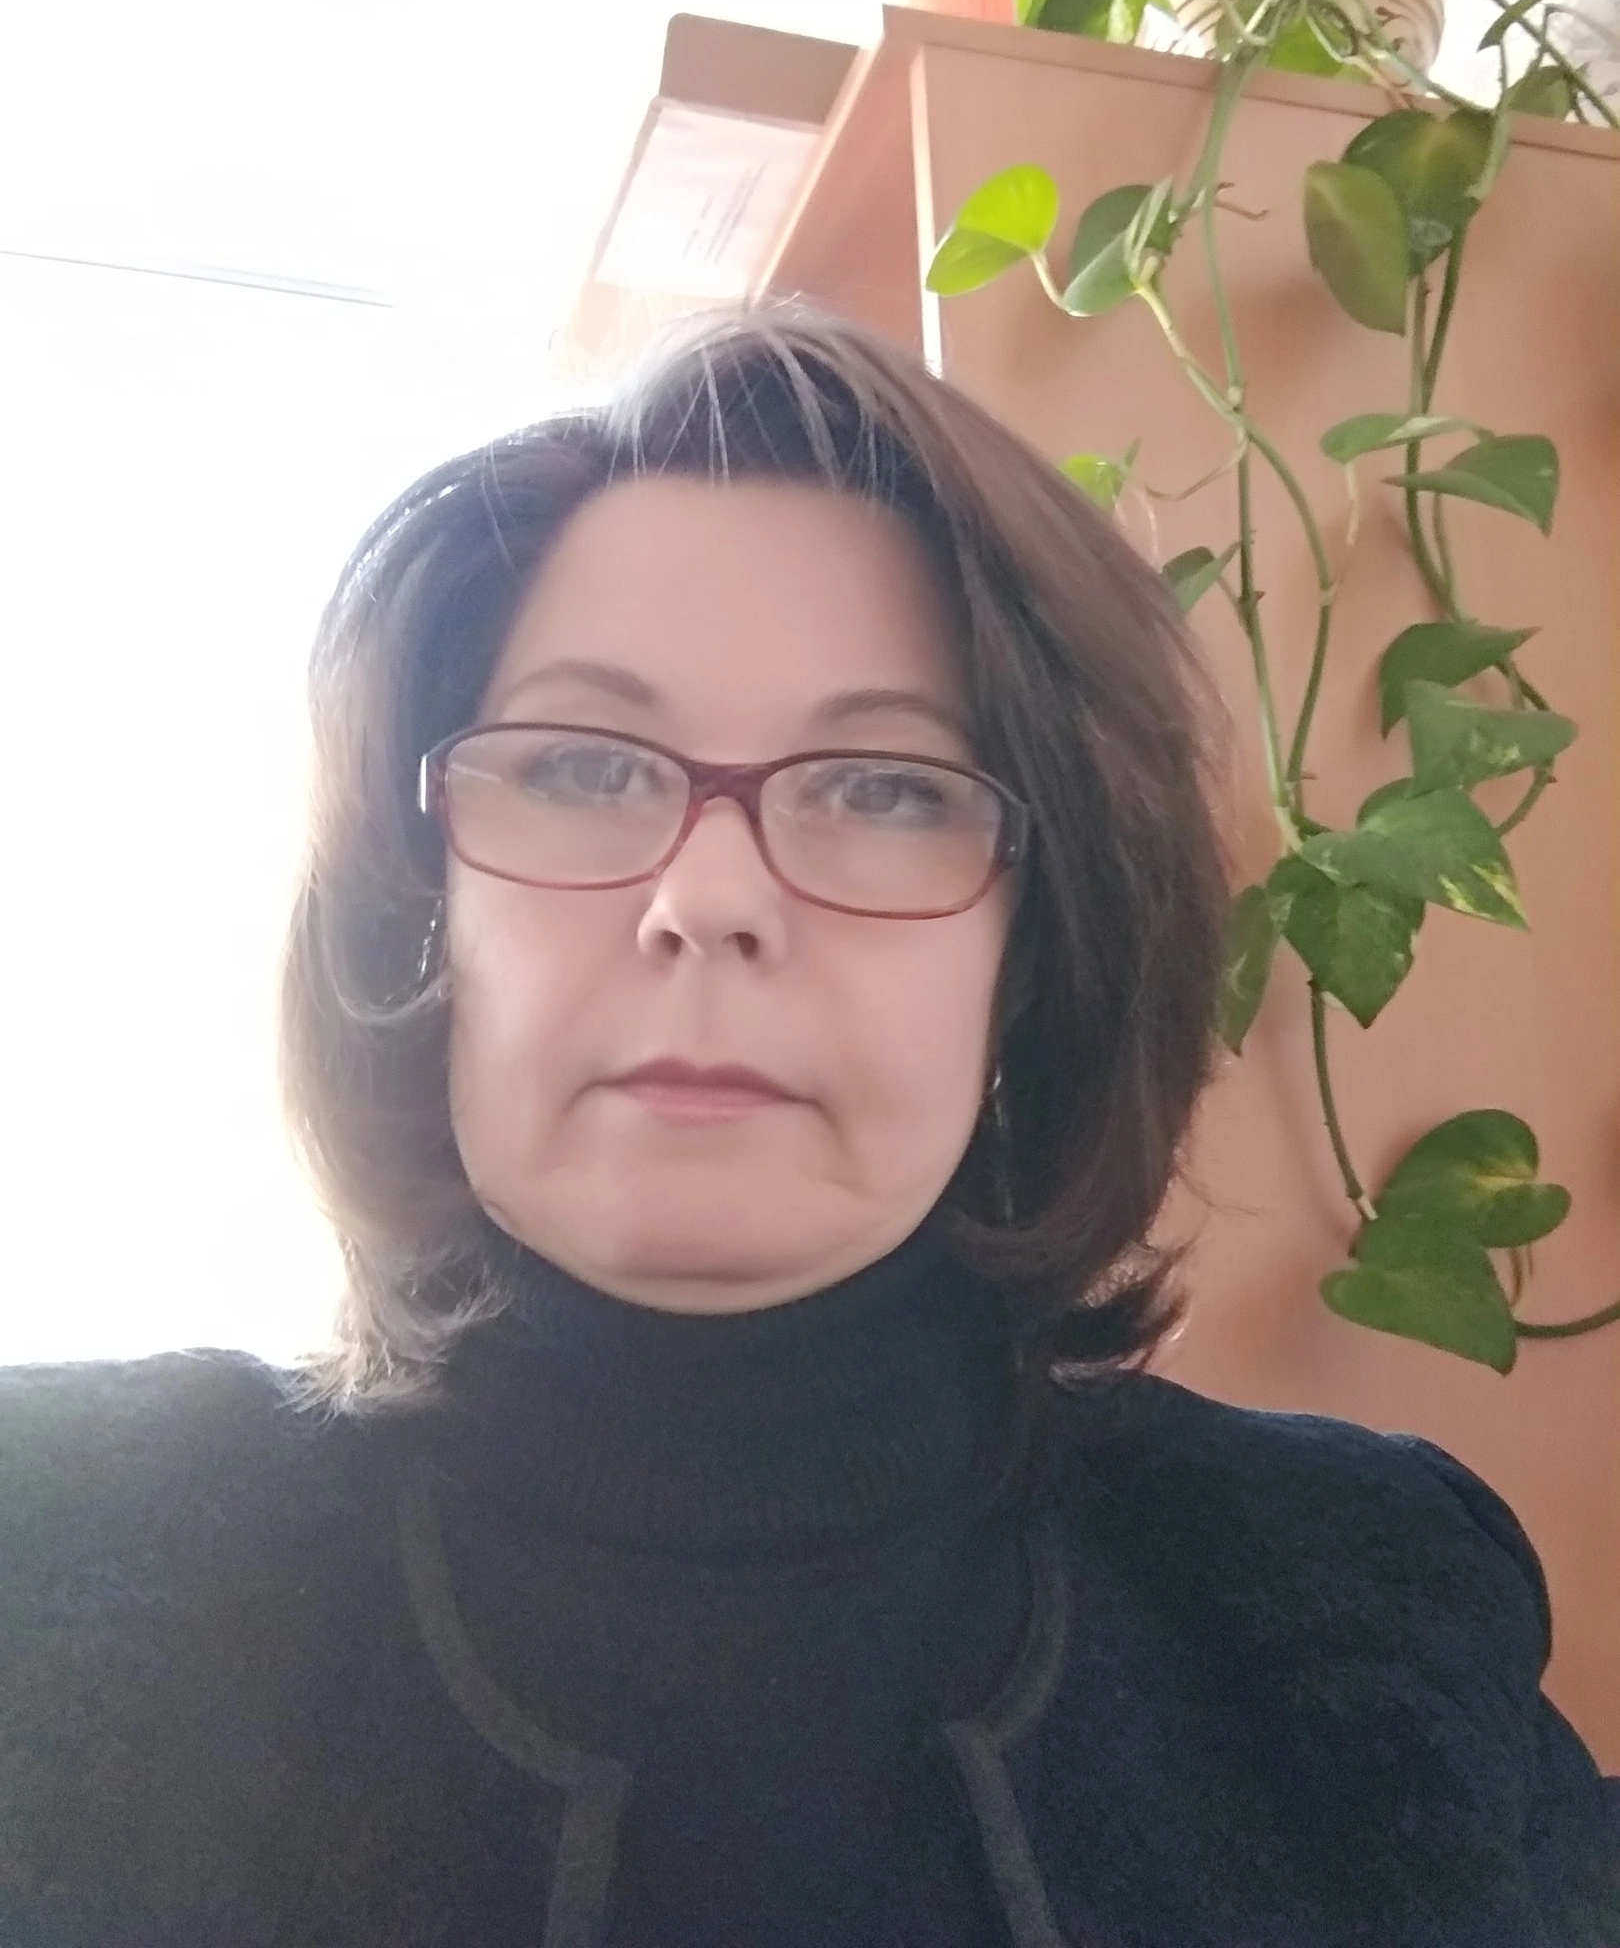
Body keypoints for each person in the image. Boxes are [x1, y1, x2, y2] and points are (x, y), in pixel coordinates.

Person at [1, 306, 1615, 1948]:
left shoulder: (1369, 1595)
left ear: (1034, 957)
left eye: (884, 787)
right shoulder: (48, 1556)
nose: (707, 898)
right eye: (580, 769)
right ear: (422, 911)